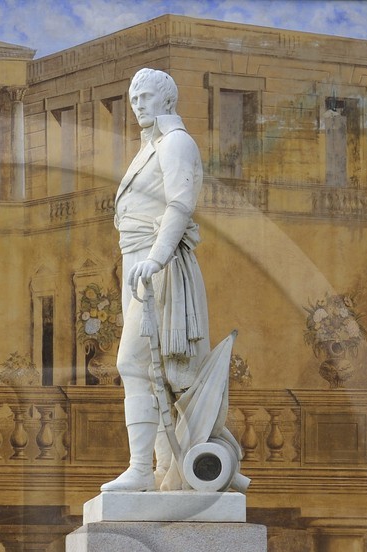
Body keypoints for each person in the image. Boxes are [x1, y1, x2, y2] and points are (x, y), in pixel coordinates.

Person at [101, 68, 245, 494]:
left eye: (145, 97)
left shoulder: (176, 143)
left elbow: (180, 205)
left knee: (135, 363)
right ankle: (164, 470)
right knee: (151, 369)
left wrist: (157, 258)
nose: (137, 105)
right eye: (133, 98)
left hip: (158, 268)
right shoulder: (149, 148)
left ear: (167, 100)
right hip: (139, 266)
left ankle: (141, 469)